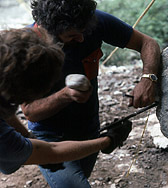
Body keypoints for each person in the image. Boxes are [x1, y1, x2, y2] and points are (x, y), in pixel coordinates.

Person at [21, 0, 161, 187]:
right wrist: (66, 95)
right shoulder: (28, 49)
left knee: (80, 178)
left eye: (84, 31)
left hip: (88, 127)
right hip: (49, 137)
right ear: (50, 30)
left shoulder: (94, 22)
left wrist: (147, 79)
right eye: (72, 35)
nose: (81, 39)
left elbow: (147, 43)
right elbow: (30, 111)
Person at [0, 27, 132, 175]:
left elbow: (4, 111)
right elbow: (52, 152)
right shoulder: (5, 142)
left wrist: (28, 137)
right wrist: (109, 140)